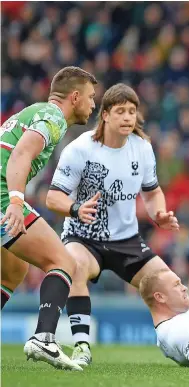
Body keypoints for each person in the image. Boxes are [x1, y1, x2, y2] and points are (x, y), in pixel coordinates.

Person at [45, 83, 179, 367]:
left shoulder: (142, 149)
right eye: (121, 111)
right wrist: (75, 208)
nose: (128, 117)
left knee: (172, 287)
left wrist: (160, 214)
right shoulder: (79, 149)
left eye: (132, 111)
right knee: (75, 266)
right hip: (84, 237)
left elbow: (152, 191)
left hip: (126, 239)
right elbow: (52, 197)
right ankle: (82, 345)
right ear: (105, 114)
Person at [0, 66, 97, 371]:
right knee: (64, 262)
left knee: (11, 271)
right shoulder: (53, 118)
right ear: (75, 96)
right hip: (3, 197)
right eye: (91, 97)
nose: (93, 105)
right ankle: (44, 337)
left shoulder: (34, 112)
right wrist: (16, 202)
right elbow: (20, 156)